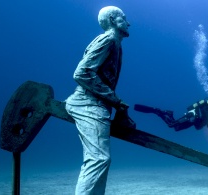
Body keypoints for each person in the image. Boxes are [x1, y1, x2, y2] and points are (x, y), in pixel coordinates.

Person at [64, 6, 131, 194]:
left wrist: (115, 103)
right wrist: (114, 99)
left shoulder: (116, 44)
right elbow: (82, 72)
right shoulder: (108, 40)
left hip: (97, 104)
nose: (128, 22)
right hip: (88, 104)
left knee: (101, 160)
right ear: (112, 19)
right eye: (124, 18)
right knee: (99, 159)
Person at [134, 98, 208, 131]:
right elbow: (191, 107)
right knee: (171, 125)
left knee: (176, 128)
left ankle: (169, 114)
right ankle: (158, 111)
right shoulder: (205, 102)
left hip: (194, 123)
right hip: (190, 118)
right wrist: (193, 112)